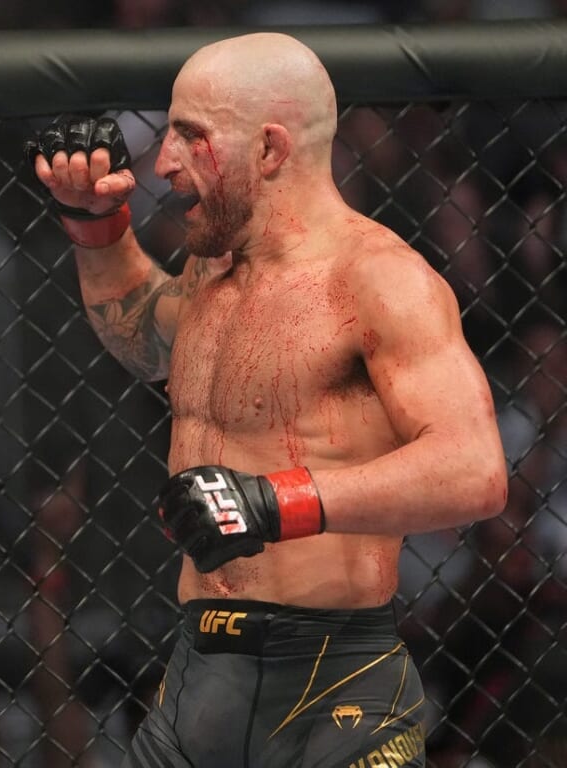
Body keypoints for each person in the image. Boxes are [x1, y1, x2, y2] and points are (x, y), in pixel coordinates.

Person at [27, 32, 507, 768]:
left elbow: (474, 471)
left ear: (271, 149)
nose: (162, 164)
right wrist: (96, 226)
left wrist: (272, 502)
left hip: (334, 675)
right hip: (201, 667)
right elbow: (153, 348)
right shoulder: (217, 263)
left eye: (191, 137)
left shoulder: (380, 281)